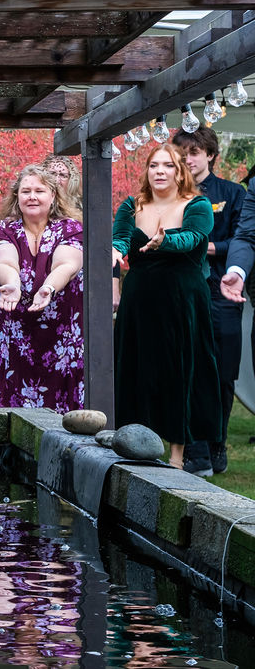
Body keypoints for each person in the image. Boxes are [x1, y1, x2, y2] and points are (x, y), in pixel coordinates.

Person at [113, 144, 220, 475]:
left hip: (182, 299)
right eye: (154, 165)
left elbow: (193, 238)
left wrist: (165, 241)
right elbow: (119, 239)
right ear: (146, 171)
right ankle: (136, 445)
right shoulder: (130, 206)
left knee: (180, 369)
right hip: (140, 299)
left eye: (168, 166)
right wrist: (114, 253)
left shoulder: (198, 204)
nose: (160, 171)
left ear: (180, 171)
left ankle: (178, 454)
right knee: (137, 365)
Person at [171, 127, 245, 474]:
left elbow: (243, 241)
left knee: (223, 373)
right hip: (182, 292)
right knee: (188, 367)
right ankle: (193, 448)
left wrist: (207, 245)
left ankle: (217, 443)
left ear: (211, 155)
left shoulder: (232, 193)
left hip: (221, 292)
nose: (188, 159)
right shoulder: (169, 194)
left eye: (195, 152)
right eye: (183, 152)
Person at [0, 165, 84, 413]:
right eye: (25, 191)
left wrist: (49, 287)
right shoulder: (4, 230)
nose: (32, 196)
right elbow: (4, 261)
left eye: (39, 191)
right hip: (18, 337)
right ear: (16, 197)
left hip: (62, 338)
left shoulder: (72, 228)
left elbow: (68, 263)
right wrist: (12, 283)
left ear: (53, 195)